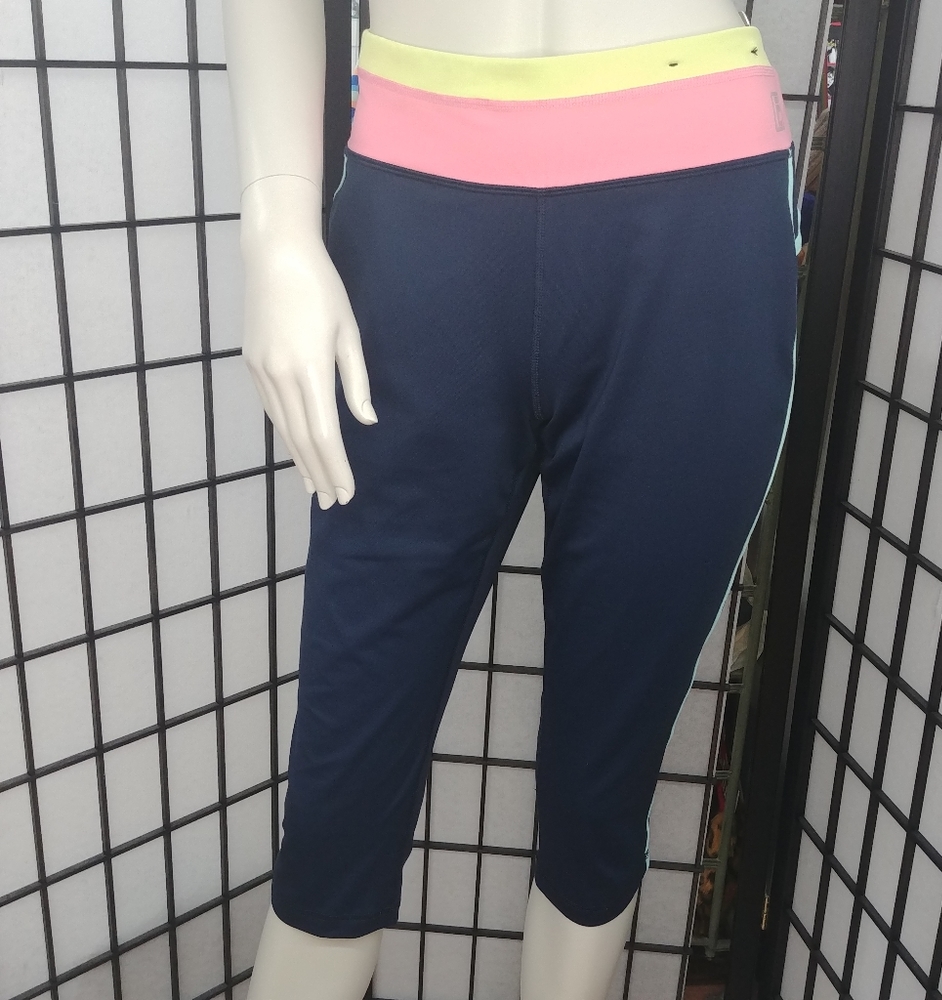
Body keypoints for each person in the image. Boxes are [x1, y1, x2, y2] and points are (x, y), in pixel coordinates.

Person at [220, 2, 799, 997]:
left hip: (695, 220)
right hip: (417, 219)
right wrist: (274, 226)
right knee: (336, 808)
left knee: (599, 798)